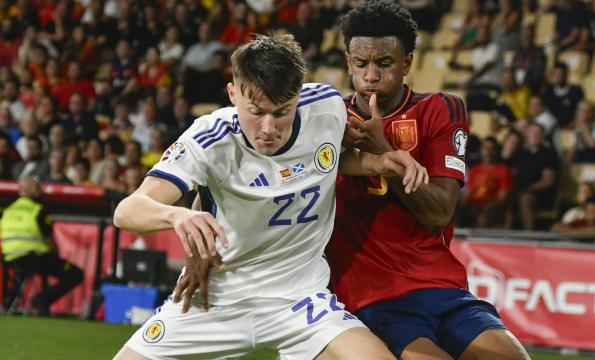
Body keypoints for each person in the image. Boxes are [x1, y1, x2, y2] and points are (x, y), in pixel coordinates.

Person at [112, 34, 426, 360]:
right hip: (215, 298)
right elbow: (127, 211)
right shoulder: (209, 138)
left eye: (281, 112)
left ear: (298, 96)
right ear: (232, 94)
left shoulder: (326, 108)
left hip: (299, 300)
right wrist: (178, 215)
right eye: (256, 111)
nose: (267, 128)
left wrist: (379, 161)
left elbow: (326, 156)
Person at [327, 2, 529, 359]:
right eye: (361, 64)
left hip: (442, 287)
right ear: (348, 62)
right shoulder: (327, 120)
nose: (371, 74)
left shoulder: (440, 108)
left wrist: (382, 148)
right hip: (374, 295)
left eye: (384, 63)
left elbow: (439, 213)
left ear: (407, 62)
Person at [0, 177, 84, 315]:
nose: (41, 189)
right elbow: (49, 241)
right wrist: (56, 255)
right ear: (27, 189)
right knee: (75, 274)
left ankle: (11, 303)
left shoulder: (8, 210)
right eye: (37, 186)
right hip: (34, 258)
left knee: (18, 281)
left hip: (9, 258)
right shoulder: (38, 210)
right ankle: (43, 299)